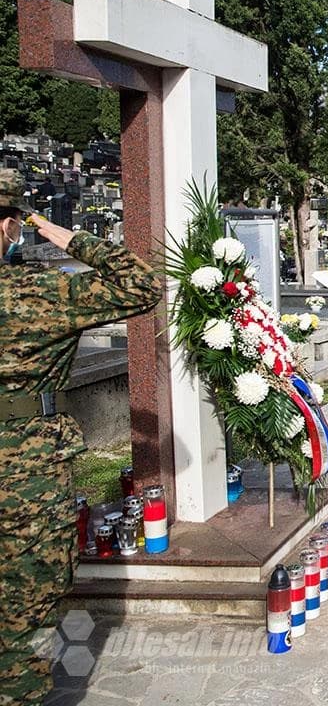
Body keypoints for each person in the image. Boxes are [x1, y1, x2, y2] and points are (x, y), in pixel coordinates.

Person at [0, 168, 163, 704]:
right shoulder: (39, 292)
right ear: (9, 226)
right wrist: (66, 236)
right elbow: (142, 285)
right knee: (22, 610)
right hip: (23, 476)